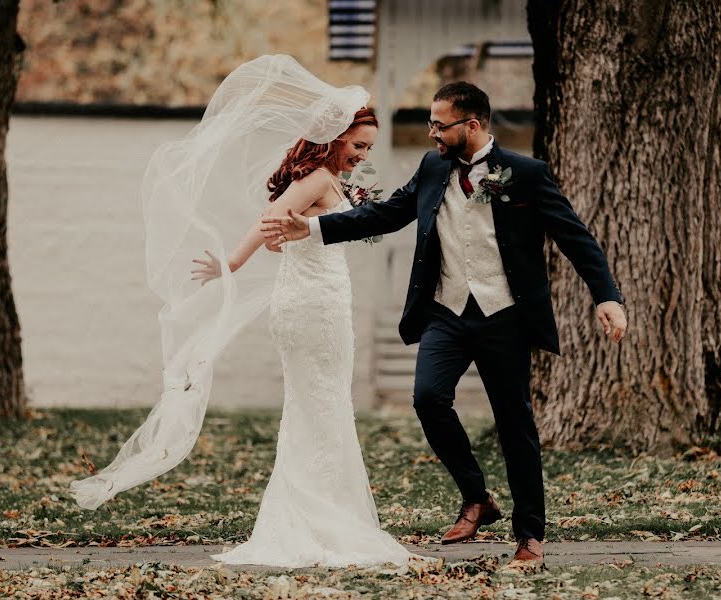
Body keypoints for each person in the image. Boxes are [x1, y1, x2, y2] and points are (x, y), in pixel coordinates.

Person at [70, 55, 421, 569]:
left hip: (319, 300)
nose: (360, 155)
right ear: (332, 136)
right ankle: (318, 518)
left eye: (366, 148)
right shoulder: (319, 179)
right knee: (319, 405)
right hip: (311, 308)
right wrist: (231, 262)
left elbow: (286, 238)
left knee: (320, 405)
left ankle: (324, 512)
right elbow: (271, 221)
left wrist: (295, 241)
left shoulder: (328, 181)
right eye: (357, 145)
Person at [262, 81, 628, 566]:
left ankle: (530, 536)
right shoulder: (434, 166)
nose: (432, 131)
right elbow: (390, 214)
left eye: (440, 124)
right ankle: (477, 496)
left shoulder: (526, 174)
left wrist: (607, 296)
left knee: (515, 422)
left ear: (471, 126)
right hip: (445, 312)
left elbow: (575, 237)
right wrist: (313, 227)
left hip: (505, 316)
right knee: (428, 398)